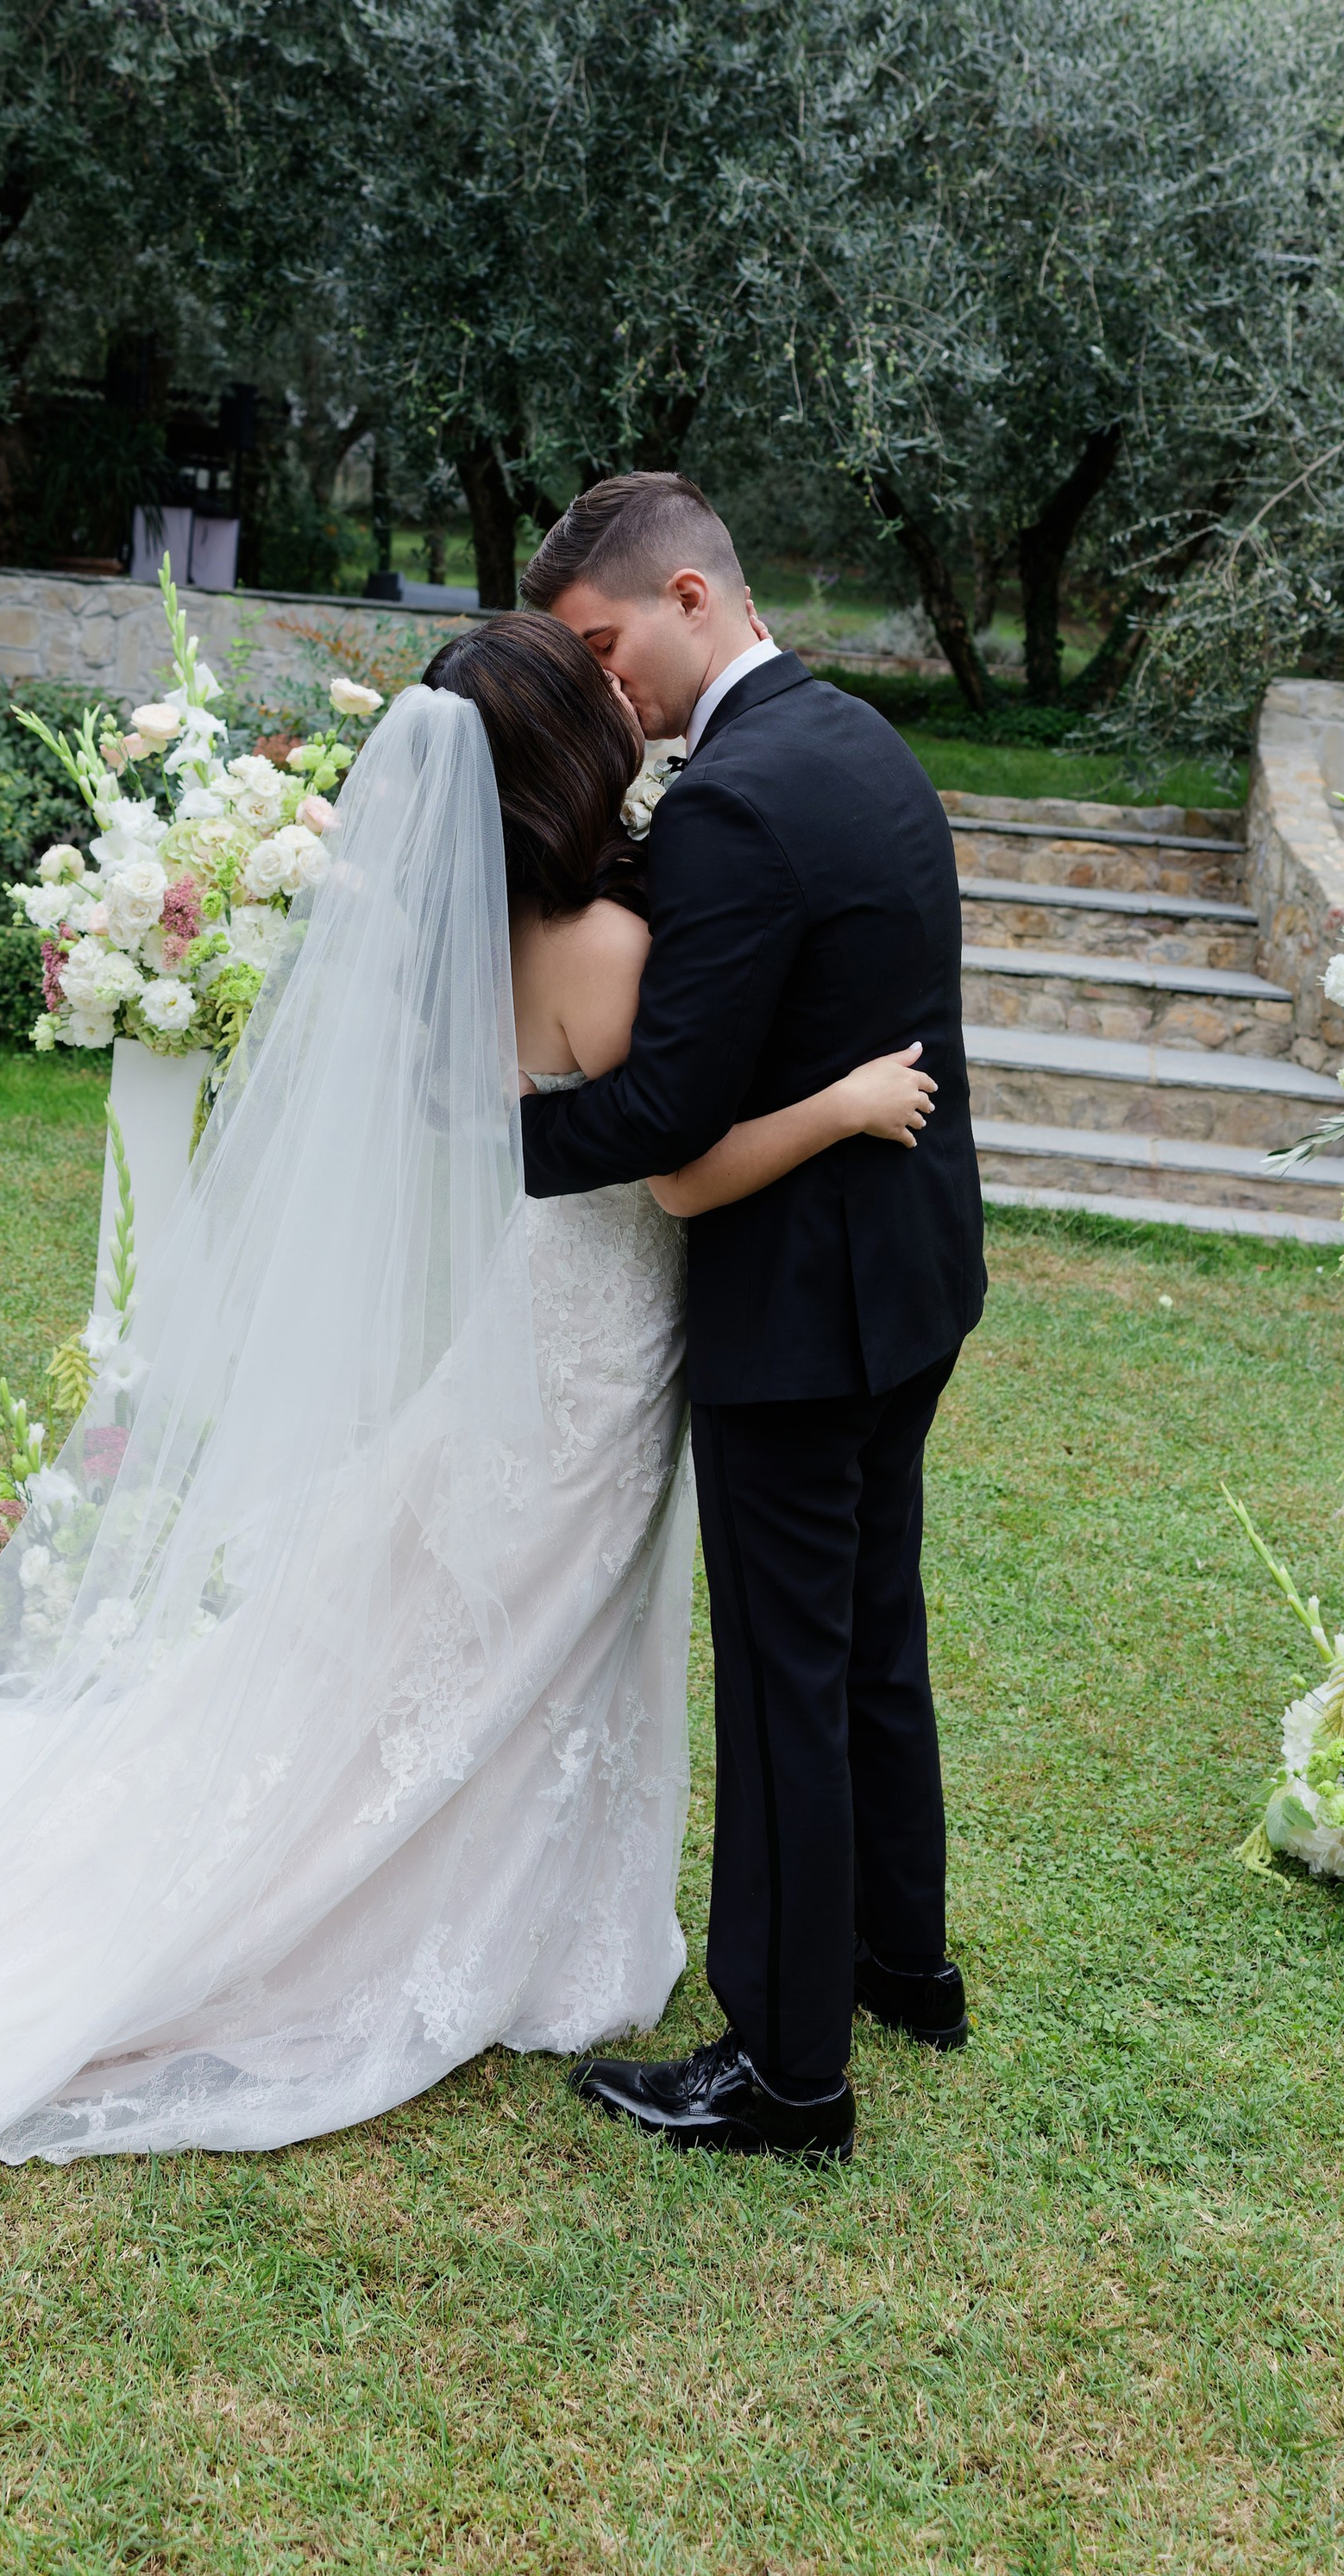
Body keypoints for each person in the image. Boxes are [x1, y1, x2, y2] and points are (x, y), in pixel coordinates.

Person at [0, 623, 921, 2441]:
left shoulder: (484, 943)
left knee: (456, 1639)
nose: (630, 729)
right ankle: (474, 1910)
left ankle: (501, 1893)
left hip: (537, 1352)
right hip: (585, 1375)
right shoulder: (604, 943)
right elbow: (673, 1162)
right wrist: (841, 1098)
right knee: (508, 1640)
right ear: (563, 770)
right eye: (601, 717)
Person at [516, 472, 987, 2163]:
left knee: (787, 1673)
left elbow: (661, 1114)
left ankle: (787, 2072)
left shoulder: (730, 799)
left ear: (689, 597)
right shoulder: (860, 740)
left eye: (602, 644)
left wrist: (464, 1140)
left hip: (797, 1304)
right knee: (871, 1633)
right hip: (912, 1273)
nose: (598, 685)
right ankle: (899, 1963)